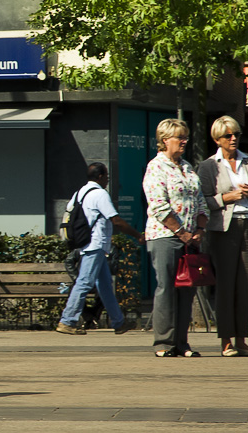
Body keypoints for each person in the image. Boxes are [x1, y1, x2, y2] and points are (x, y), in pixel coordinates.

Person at [197, 116, 248, 357]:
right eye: (228, 135)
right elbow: (202, 201)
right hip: (224, 229)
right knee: (226, 284)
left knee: (246, 284)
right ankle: (226, 340)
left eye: (236, 134)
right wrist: (225, 199)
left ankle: (242, 339)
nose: (234, 138)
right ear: (217, 139)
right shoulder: (208, 166)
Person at [143, 118, 208, 358]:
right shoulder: (156, 167)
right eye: (179, 137)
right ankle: (164, 342)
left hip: (190, 238)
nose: (184, 142)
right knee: (166, 288)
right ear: (164, 140)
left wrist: (199, 229)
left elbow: (200, 200)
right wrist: (181, 232)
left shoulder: (187, 167)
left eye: (185, 137)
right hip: (165, 236)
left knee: (187, 289)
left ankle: (182, 342)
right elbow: (158, 205)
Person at [56, 162, 143, 336]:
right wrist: (137, 235)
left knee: (104, 285)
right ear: (100, 176)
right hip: (95, 244)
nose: (108, 180)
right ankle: (67, 321)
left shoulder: (79, 193)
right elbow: (116, 220)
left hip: (87, 244)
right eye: (107, 177)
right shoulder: (100, 194)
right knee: (84, 282)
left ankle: (118, 322)